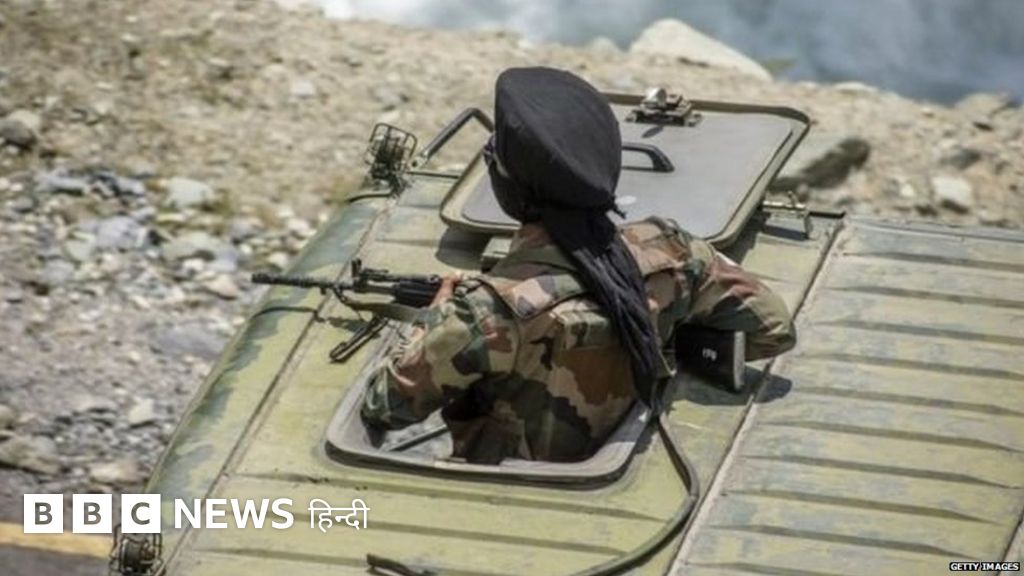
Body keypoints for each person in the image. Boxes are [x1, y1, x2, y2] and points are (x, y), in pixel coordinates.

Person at [362, 67, 795, 464]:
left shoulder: (484, 314)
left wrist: (436, 317)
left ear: (508, 185)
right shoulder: (675, 251)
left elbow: (384, 405)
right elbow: (773, 328)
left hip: (511, 494)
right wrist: (649, 333)